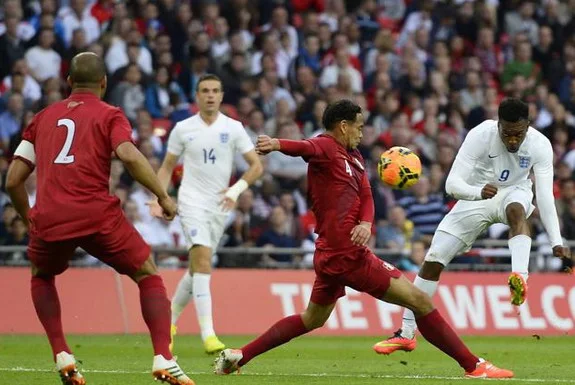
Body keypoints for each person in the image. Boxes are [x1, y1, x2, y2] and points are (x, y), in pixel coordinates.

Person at [214, 99, 513, 379]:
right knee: (420, 300)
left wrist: (367, 222)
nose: (362, 132)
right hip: (347, 253)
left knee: (312, 319)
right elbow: (304, 147)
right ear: (343, 126)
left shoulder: (354, 158)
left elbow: (367, 194)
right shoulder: (327, 146)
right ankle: (473, 365)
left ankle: (240, 355)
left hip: (332, 253)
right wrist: (277, 144)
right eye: (358, 126)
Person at [5, 52, 194, 385]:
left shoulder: (43, 117)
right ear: (104, 83)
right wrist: (163, 195)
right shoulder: (110, 114)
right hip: (96, 215)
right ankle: (164, 357)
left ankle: (62, 354)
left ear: (68, 83)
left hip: (50, 217)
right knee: (147, 273)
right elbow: (129, 155)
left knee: (42, 276)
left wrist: (29, 216)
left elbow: (12, 179)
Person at [375, 98, 572, 355]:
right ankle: (407, 333)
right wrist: (477, 192)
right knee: (433, 260)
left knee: (517, 210)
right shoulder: (480, 134)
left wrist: (556, 239)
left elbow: (544, 196)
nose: (513, 140)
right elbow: (452, 184)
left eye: (519, 134)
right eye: (507, 134)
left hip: (515, 191)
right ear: (498, 125)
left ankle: (519, 278)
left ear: (528, 127)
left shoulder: (540, 145)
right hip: (476, 195)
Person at [148, 74, 263, 354]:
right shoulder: (183, 129)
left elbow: (256, 166)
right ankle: (208, 334)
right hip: (190, 202)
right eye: (204, 91)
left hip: (219, 207)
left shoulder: (233, 128)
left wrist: (235, 191)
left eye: (215, 90)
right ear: (197, 96)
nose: (210, 95)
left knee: (196, 267)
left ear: (221, 96)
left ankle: (168, 322)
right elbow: (166, 167)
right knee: (201, 258)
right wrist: (158, 197)